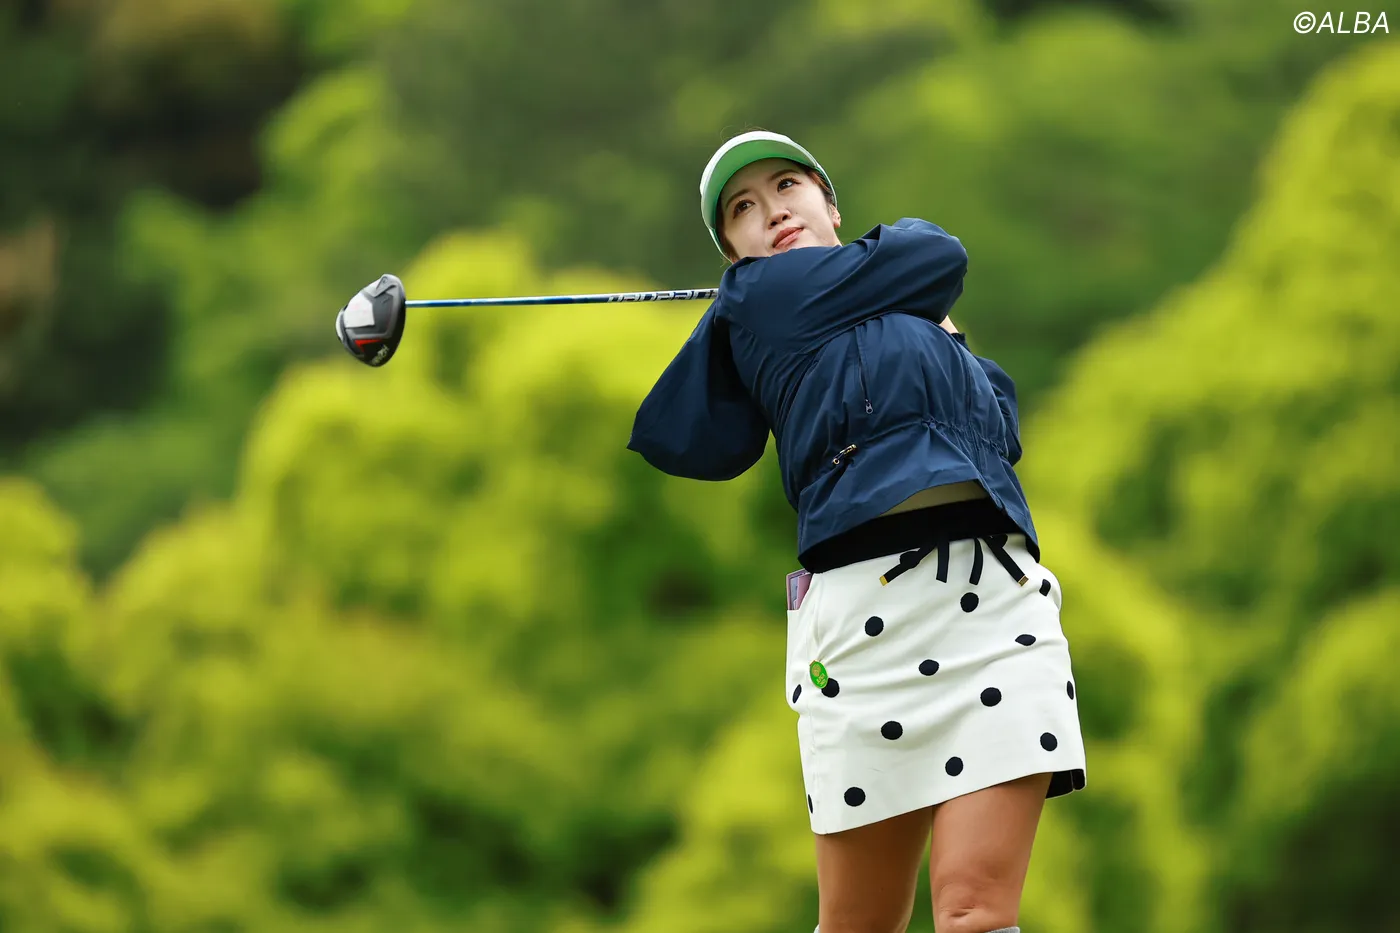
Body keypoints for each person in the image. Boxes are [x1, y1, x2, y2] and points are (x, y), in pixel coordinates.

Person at [626, 130, 1087, 933]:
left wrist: (921, 323)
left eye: (787, 187)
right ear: (733, 254)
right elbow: (934, 251)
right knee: (858, 924)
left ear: (828, 204)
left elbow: (1002, 424)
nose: (773, 211)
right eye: (744, 208)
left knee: (976, 911)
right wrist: (914, 308)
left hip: (994, 610)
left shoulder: (901, 307)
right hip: (863, 627)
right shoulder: (763, 298)